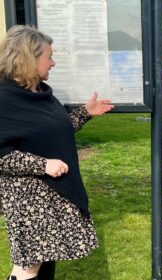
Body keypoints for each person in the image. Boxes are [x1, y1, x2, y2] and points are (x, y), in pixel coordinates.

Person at [0, 25, 113, 280]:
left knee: (45, 263)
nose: (53, 62)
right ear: (28, 58)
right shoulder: (4, 99)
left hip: (51, 193)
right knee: (28, 268)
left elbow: (50, 132)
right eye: (48, 56)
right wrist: (42, 165)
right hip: (27, 199)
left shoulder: (40, 94)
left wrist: (85, 113)